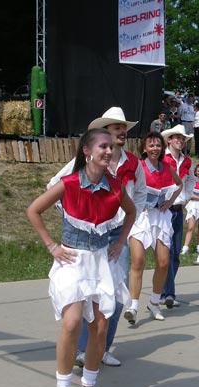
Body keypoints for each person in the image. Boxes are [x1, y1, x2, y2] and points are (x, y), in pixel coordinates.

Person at [27, 128, 136, 387]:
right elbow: (33, 210)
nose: (109, 151)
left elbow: (132, 212)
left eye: (111, 147)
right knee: (72, 322)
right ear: (87, 151)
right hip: (72, 261)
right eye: (103, 146)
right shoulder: (69, 182)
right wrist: (52, 246)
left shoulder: (114, 185)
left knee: (99, 328)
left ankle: (89, 385)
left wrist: (120, 241)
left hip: (101, 261)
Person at [47, 107, 146, 369]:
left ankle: (102, 348)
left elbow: (139, 196)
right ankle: (81, 350)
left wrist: (128, 228)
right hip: (88, 236)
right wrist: (75, 218)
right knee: (83, 294)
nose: (122, 131)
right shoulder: (87, 160)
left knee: (113, 294)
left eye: (124, 127)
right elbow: (54, 185)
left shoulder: (133, 163)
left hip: (116, 236)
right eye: (116, 127)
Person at [124, 132, 183, 324]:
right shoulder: (138, 167)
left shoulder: (167, 167)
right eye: (151, 145)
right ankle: (132, 306)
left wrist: (169, 202)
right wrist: (133, 205)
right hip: (140, 217)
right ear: (144, 148)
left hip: (160, 216)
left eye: (158, 145)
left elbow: (179, 184)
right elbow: (126, 188)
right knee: (138, 260)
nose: (155, 148)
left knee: (164, 262)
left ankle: (154, 302)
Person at [161, 124, 196, 308]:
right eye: (177, 138)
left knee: (175, 253)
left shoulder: (186, 161)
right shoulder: (163, 158)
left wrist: (186, 197)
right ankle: (168, 293)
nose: (180, 141)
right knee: (166, 253)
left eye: (182, 139)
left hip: (178, 208)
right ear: (169, 140)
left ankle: (165, 290)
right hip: (163, 209)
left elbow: (191, 180)